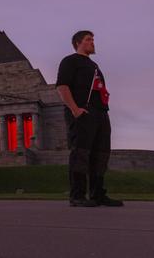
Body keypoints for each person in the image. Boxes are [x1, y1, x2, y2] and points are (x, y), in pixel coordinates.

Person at [56, 30, 123, 208]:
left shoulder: (94, 65)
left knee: (101, 155)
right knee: (81, 153)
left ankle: (97, 194)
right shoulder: (70, 61)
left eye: (93, 39)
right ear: (78, 43)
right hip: (82, 112)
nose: (93, 42)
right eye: (88, 39)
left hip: (101, 113)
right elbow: (62, 87)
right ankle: (77, 196)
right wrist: (75, 110)